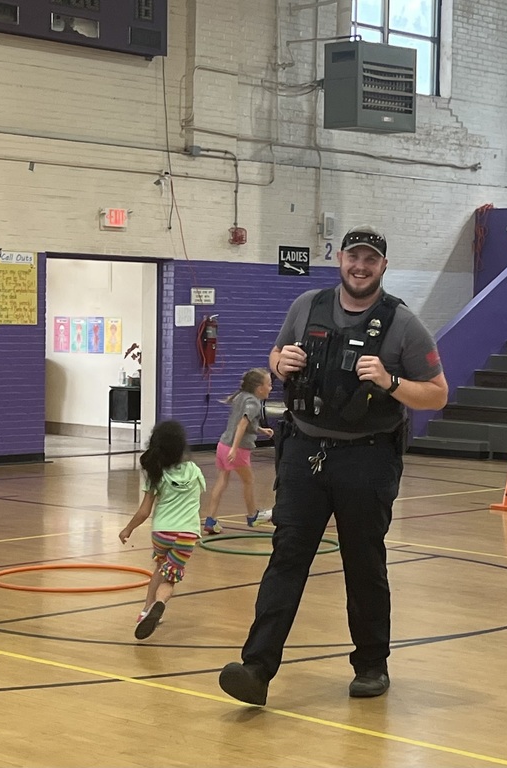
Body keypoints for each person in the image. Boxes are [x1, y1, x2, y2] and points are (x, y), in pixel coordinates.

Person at [218, 224, 448, 706]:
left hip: (367, 456)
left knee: (363, 561)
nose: (360, 266)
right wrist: (282, 365)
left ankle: (371, 665)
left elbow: (437, 393)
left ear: (383, 267)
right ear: (340, 259)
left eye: (370, 260)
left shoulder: (402, 323)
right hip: (304, 451)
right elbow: (276, 354)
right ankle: (256, 669)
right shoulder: (307, 305)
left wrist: (388, 381)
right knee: (286, 557)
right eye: (353, 257)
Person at [118, 420, 206, 639]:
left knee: (160, 567)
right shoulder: (194, 471)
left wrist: (128, 529)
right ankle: (158, 604)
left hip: (161, 532)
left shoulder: (157, 474)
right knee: (169, 579)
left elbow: (144, 511)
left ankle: (145, 611)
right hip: (186, 533)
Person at [202, 368, 275, 535]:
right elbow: (242, 424)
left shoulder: (241, 396)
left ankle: (210, 520)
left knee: (222, 481)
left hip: (222, 445)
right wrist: (235, 449)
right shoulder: (254, 402)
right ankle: (252, 516)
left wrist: (262, 430)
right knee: (249, 481)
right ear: (259, 388)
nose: (271, 388)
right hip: (237, 449)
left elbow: (244, 422)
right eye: (269, 385)